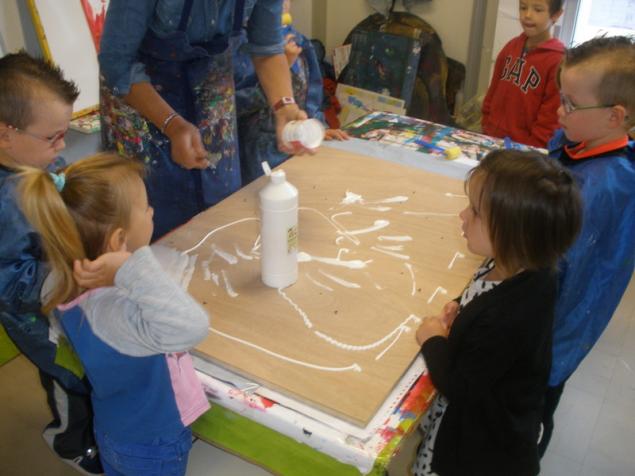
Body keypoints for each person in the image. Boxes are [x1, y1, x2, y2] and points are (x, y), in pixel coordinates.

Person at [17, 153, 211, 476]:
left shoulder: (62, 280)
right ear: (118, 240)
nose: (152, 211)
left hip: (117, 424)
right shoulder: (113, 312)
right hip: (151, 442)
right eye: (146, 207)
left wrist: (122, 272)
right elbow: (192, 327)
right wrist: (133, 268)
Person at [412, 150, 582, 476]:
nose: (463, 215)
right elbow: (484, 296)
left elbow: (458, 386)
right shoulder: (524, 266)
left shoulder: (508, 316)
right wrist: (461, 305)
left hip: (477, 449)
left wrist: (432, 339)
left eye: (475, 212)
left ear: (515, 233)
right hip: (497, 411)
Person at [99, 0, 314, 240]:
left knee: (219, 213)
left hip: (211, 90)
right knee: (148, 221)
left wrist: (284, 106)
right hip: (140, 98)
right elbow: (116, 63)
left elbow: (266, 47)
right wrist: (172, 124)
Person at [0, 51, 103, 474]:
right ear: (5, 135)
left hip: (66, 293)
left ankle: (96, 428)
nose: (62, 147)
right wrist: (65, 270)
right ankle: (70, 441)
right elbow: (9, 283)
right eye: (53, 137)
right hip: (35, 319)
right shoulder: (5, 201)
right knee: (68, 374)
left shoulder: (37, 161)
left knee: (91, 369)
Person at [538, 35, 635, 456]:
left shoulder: (601, 190)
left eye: (571, 104)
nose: (559, 111)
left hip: (554, 331)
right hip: (552, 310)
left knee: (534, 408)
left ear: (615, 116)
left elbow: (562, 276)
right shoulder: (581, 143)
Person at [233, 0, 349, 184]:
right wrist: (282, 67)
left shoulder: (298, 40)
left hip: (297, 142)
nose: (281, 4)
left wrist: (317, 126)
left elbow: (312, 92)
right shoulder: (239, 49)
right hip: (260, 153)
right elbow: (237, 105)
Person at [481, 0, 564, 148]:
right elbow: (493, 91)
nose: (527, 15)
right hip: (491, 139)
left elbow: (550, 119)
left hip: (524, 151)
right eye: (523, 7)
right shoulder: (511, 47)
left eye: (538, 10)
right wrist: (486, 124)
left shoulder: (557, 61)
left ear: (556, 15)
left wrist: (529, 150)